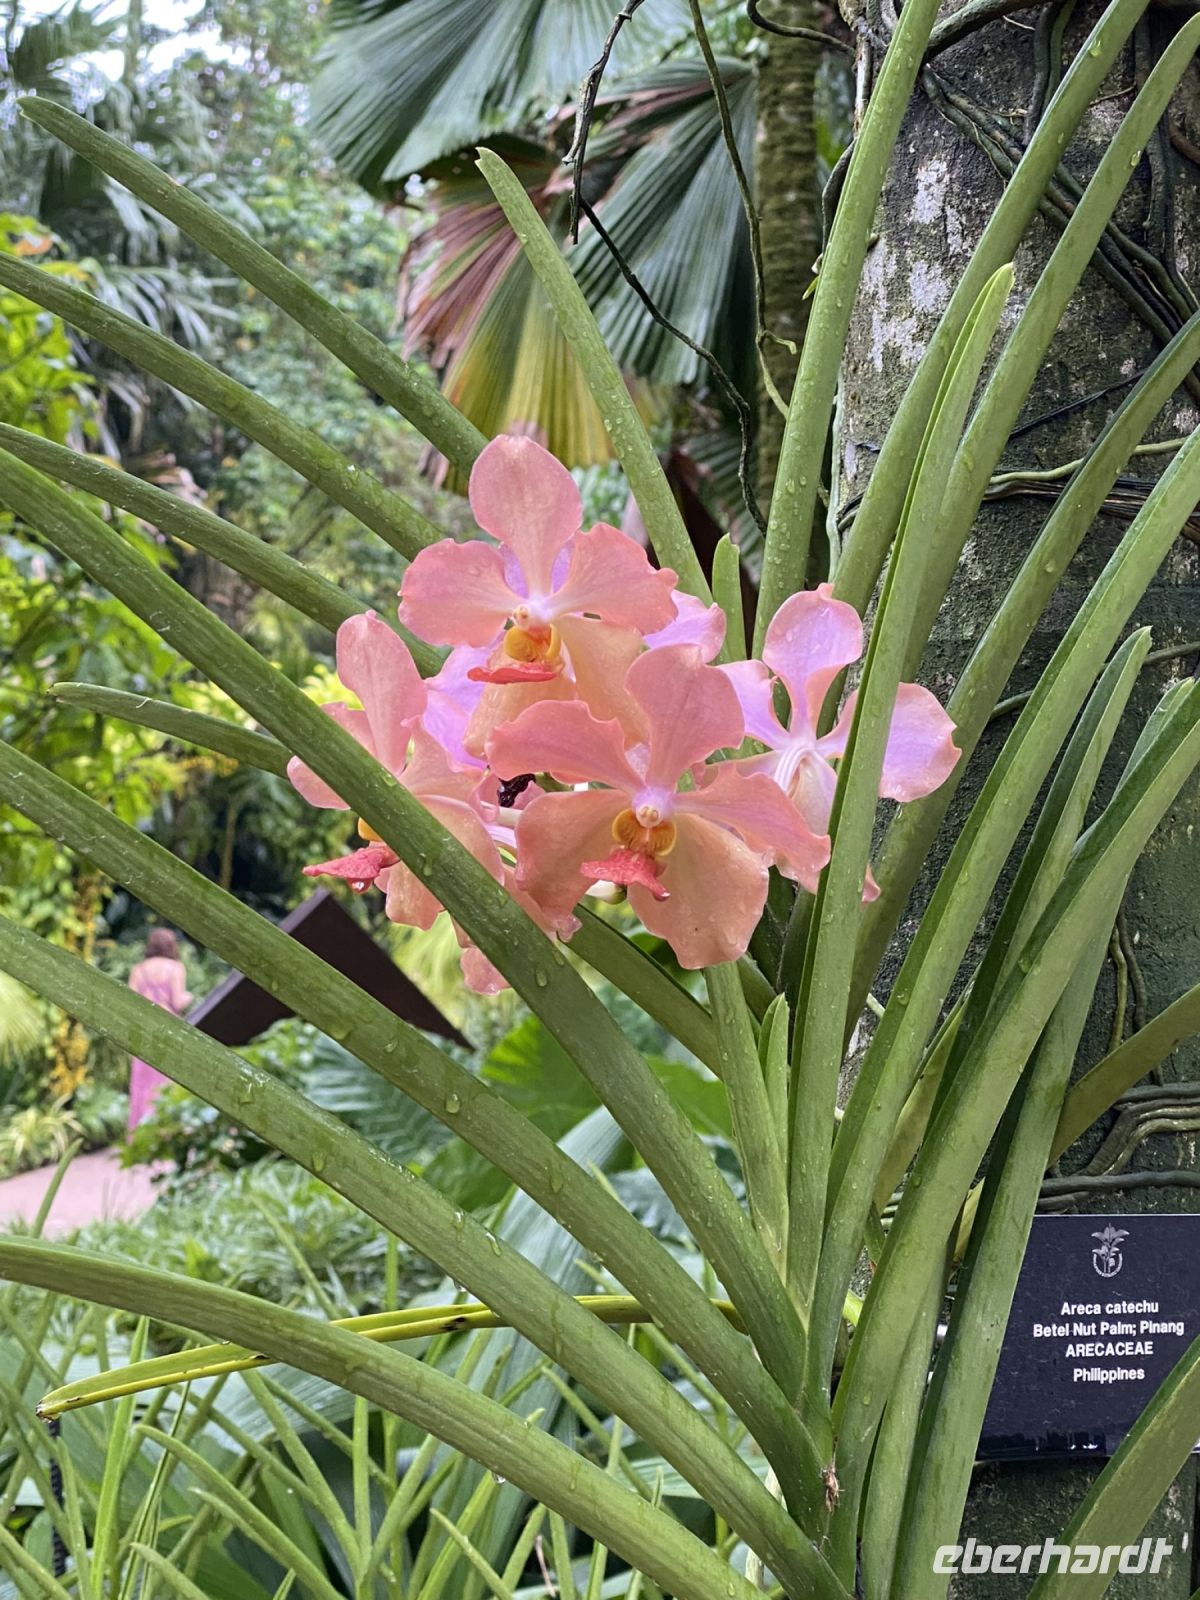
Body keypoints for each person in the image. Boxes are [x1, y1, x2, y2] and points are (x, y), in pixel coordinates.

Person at [126, 929, 192, 1132]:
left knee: (142, 1084)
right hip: (168, 1031)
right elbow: (178, 1001)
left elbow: (130, 1000)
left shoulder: (139, 970)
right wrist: (191, 996)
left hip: (144, 1031)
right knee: (167, 1082)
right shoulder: (175, 968)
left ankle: (140, 1134)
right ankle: (167, 1131)